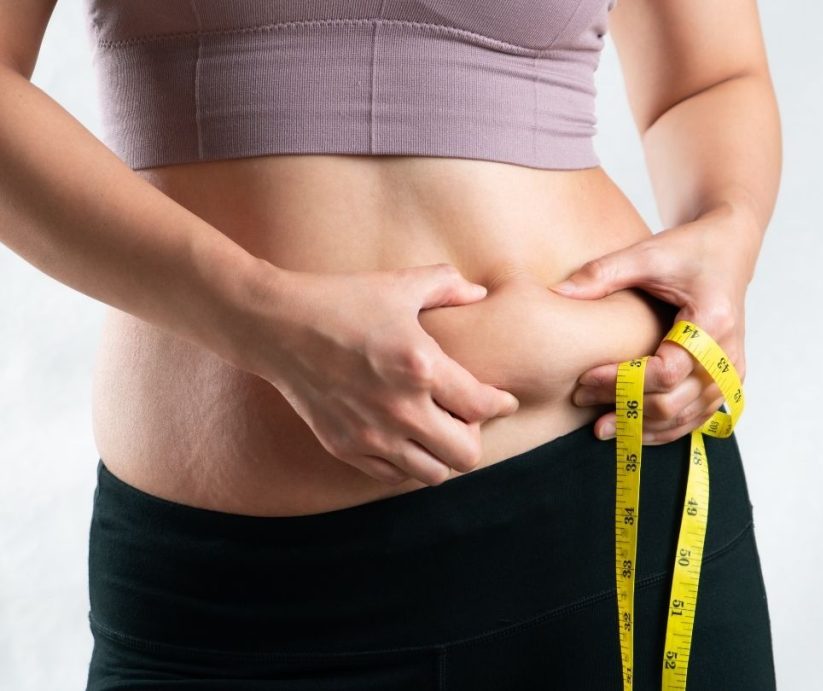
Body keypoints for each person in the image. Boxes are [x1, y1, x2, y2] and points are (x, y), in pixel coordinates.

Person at [0, 0, 781, 688]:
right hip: (235, 601)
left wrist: (727, 231)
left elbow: (709, 78)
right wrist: (259, 316)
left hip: (613, 509)